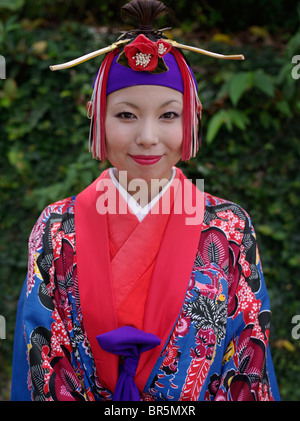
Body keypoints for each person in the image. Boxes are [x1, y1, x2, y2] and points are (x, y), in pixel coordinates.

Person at [11, 0, 280, 401]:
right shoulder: (55, 227)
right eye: (126, 115)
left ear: (193, 117)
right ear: (95, 116)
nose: (148, 137)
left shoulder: (230, 227)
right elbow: (41, 357)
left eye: (169, 115)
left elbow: (246, 359)